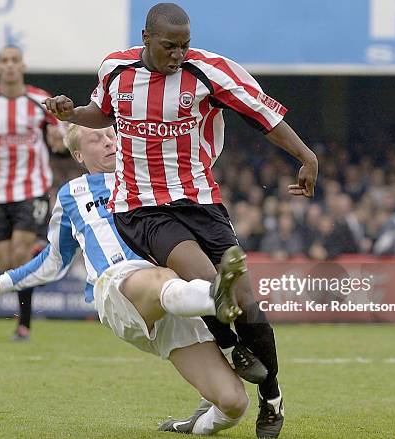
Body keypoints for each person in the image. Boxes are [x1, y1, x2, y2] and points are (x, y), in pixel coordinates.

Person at [44, 3, 319, 438]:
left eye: (184, 46)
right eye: (170, 47)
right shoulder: (115, 69)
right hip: (142, 207)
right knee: (207, 279)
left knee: (244, 297)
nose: (178, 55)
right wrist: (71, 114)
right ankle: (230, 345)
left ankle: (272, 397)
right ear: (147, 38)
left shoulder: (208, 72)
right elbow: (101, 112)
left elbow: (262, 117)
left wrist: (305, 156)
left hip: (201, 200)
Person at [0, 124, 248, 435]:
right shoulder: (72, 194)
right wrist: (0, 283)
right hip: (116, 289)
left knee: (234, 403)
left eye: (111, 135)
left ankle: (193, 426)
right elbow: (54, 261)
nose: (109, 142)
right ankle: (217, 296)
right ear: (79, 155)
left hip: (174, 296)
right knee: (159, 278)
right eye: (96, 139)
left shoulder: (149, 177)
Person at [0, 45, 64, 340]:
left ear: (23, 66)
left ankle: (24, 324)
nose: (9, 66)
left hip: (32, 187)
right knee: (6, 263)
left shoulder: (37, 99)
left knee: (19, 254)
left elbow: (59, 131)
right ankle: (42, 258)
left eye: (14, 61)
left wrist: (57, 137)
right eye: (4, 61)